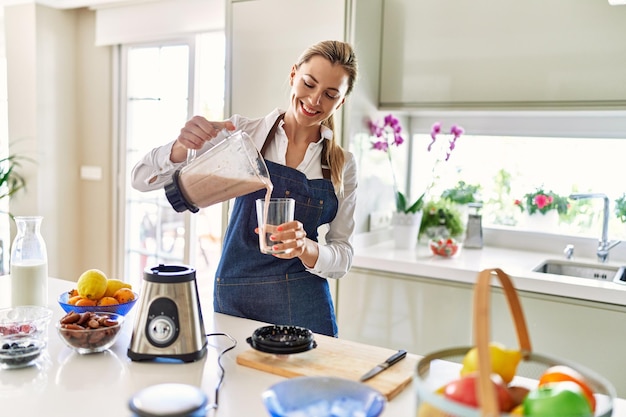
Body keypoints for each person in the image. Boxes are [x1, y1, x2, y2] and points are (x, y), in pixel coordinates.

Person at [131, 40, 358, 337]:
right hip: (237, 300)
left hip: (305, 303)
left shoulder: (342, 163)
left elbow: (343, 255)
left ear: (340, 102)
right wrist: (179, 148)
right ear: (293, 75)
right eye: (309, 83)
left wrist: (306, 248)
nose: (315, 100)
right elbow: (140, 178)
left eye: (330, 94)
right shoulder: (240, 134)